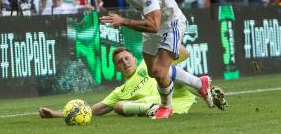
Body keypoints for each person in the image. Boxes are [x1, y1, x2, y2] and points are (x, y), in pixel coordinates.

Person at [99, 0, 213, 119]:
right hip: (153, 22)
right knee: (153, 72)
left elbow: (153, 25)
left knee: (160, 71)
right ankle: (200, 84)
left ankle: (165, 107)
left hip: (171, 23)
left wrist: (123, 21)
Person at [39, 47, 198, 118]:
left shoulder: (147, 63)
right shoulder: (120, 91)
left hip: (178, 97)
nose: (125, 63)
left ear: (135, 59)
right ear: (116, 68)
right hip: (162, 107)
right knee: (119, 106)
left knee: (169, 72)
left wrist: (166, 39)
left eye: (127, 58)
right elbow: (94, 110)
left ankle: (202, 88)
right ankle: (156, 109)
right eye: (120, 62)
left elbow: (184, 53)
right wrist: (56, 114)